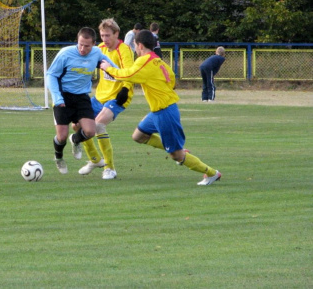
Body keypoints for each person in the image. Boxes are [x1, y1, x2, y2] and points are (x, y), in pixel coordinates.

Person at [101, 30, 222, 186]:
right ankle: (176, 148)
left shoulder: (144, 61)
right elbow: (171, 79)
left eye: (135, 46)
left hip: (165, 112)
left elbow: (127, 75)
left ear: (139, 45)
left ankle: (212, 173)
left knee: (176, 156)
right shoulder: (158, 61)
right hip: (158, 111)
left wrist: (107, 67)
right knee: (138, 136)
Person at [46, 27, 118, 174]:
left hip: (81, 98)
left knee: (91, 131)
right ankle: (58, 157)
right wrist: (57, 97)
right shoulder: (65, 54)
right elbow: (51, 75)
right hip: (63, 96)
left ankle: (76, 140)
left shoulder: (97, 53)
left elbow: (114, 68)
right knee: (61, 137)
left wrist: (116, 74)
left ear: (93, 44)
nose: (82, 49)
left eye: (87, 46)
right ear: (77, 41)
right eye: (80, 44)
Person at [76, 18, 135, 180]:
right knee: (76, 124)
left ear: (116, 34)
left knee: (98, 125)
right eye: (102, 35)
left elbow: (130, 72)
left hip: (118, 97)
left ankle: (109, 168)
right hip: (99, 97)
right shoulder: (100, 49)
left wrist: (125, 88)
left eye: (108, 35)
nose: (105, 39)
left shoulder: (124, 50)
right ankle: (95, 160)